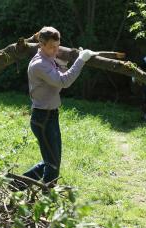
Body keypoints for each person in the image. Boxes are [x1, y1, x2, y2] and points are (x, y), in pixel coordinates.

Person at [22, 26, 97, 186]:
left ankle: (14, 184)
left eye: (58, 46)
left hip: (50, 116)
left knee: (51, 161)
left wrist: (62, 64)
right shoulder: (39, 64)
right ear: (41, 45)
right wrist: (80, 60)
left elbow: (57, 82)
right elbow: (64, 81)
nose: (56, 50)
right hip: (43, 119)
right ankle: (47, 200)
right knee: (53, 164)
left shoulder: (49, 59)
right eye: (51, 47)